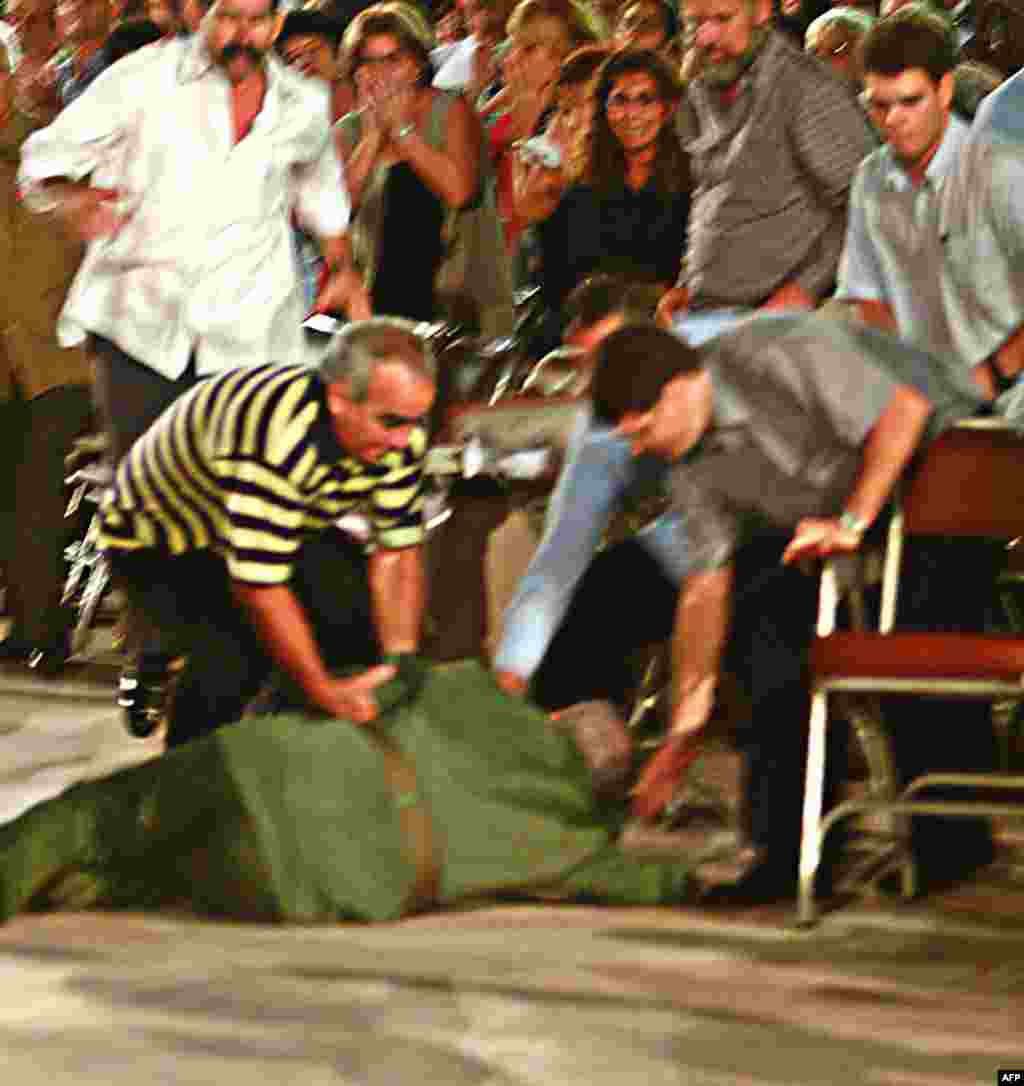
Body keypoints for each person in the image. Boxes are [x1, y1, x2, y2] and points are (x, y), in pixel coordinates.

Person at [593, 321, 980, 904]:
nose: (639, 447)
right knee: (763, 636)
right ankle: (791, 856)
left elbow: (903, 410)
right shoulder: (687, 465)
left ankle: (948, 846)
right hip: (832, 515)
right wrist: (681, 737)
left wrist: (852, 523)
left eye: (642, 429)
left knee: (910, 625)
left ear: (678, 390)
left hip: (940, 466)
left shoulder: (778, 352)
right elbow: (705, 591)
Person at [19, 0, 369, 468]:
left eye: (257, 21)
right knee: (157, 508)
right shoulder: (141, 81)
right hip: (142, 338)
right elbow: (39, 165)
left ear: (276, 23)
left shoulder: (302, 102)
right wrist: (71, 201)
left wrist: (342, 266)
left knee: (249, 505)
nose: (241, 35)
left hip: (248, 337)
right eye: (227, 18)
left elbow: (323, 197)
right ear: (196, 14)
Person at [97, 318, 436, 747]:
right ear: (338, 400)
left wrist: (398, 664)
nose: (404, 441)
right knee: (235, 655)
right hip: (158, 539)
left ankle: (310, 752)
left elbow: (397, 553)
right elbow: (260, 587)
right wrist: (322, 689)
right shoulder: (277, 438)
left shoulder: (399, 434)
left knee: (355, 620)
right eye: (391, 422)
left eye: (415, 421)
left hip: (267, 523)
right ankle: (186, 785)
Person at [494, 275, 689, 708]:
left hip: (777, 536)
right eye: (592, 361)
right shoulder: (601, 423)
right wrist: (511, 675)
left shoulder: (714, 373)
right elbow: (559, 560)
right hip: (673, 546)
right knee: (594, 592)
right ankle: (568, 748)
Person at [656, 0, 876, 346]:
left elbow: (866, 204)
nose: (707, 36)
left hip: (781, 328)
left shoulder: (806, 89)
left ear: (760, 11)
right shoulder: (702, 85)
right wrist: (688, 283)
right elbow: (714, 197)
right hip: (706, 318)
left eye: (722, 19)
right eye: (694, 23)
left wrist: (804, 290)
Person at [835, 9, 1024, 411]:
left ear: (944, 91)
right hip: (920, 382)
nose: (893, 120)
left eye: (910, 102)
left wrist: (994, 372)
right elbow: (866, 297)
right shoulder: (870, 178)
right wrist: (910, 376)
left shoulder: (1001, 171)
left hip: (1009, 380)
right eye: (879, 105)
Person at [0, 4, 94, 675]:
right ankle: (26, 621)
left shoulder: (49, 147)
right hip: (8, 358)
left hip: (58, 356)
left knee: (37, 495)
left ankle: (43, 628)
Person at [517, 48, 691, 350]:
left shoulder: (693, 181)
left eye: (645, 99)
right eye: (620, 100)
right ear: (604, 107)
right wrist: (539, 218)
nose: (631, 114)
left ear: (668, 108)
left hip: (664, 331)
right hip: (583, 333)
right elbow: (555, 283)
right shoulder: (583, 184)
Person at [337, 2, 480, 321]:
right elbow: (335, 213)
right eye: (369, 62)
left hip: (447, 295)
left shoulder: (450, 111)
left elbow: (459, 193)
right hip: (370, 299)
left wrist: (403, 132)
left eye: (392, 59)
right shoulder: (348, 130)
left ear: (417, 64)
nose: (381, 73)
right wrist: (373, 137)